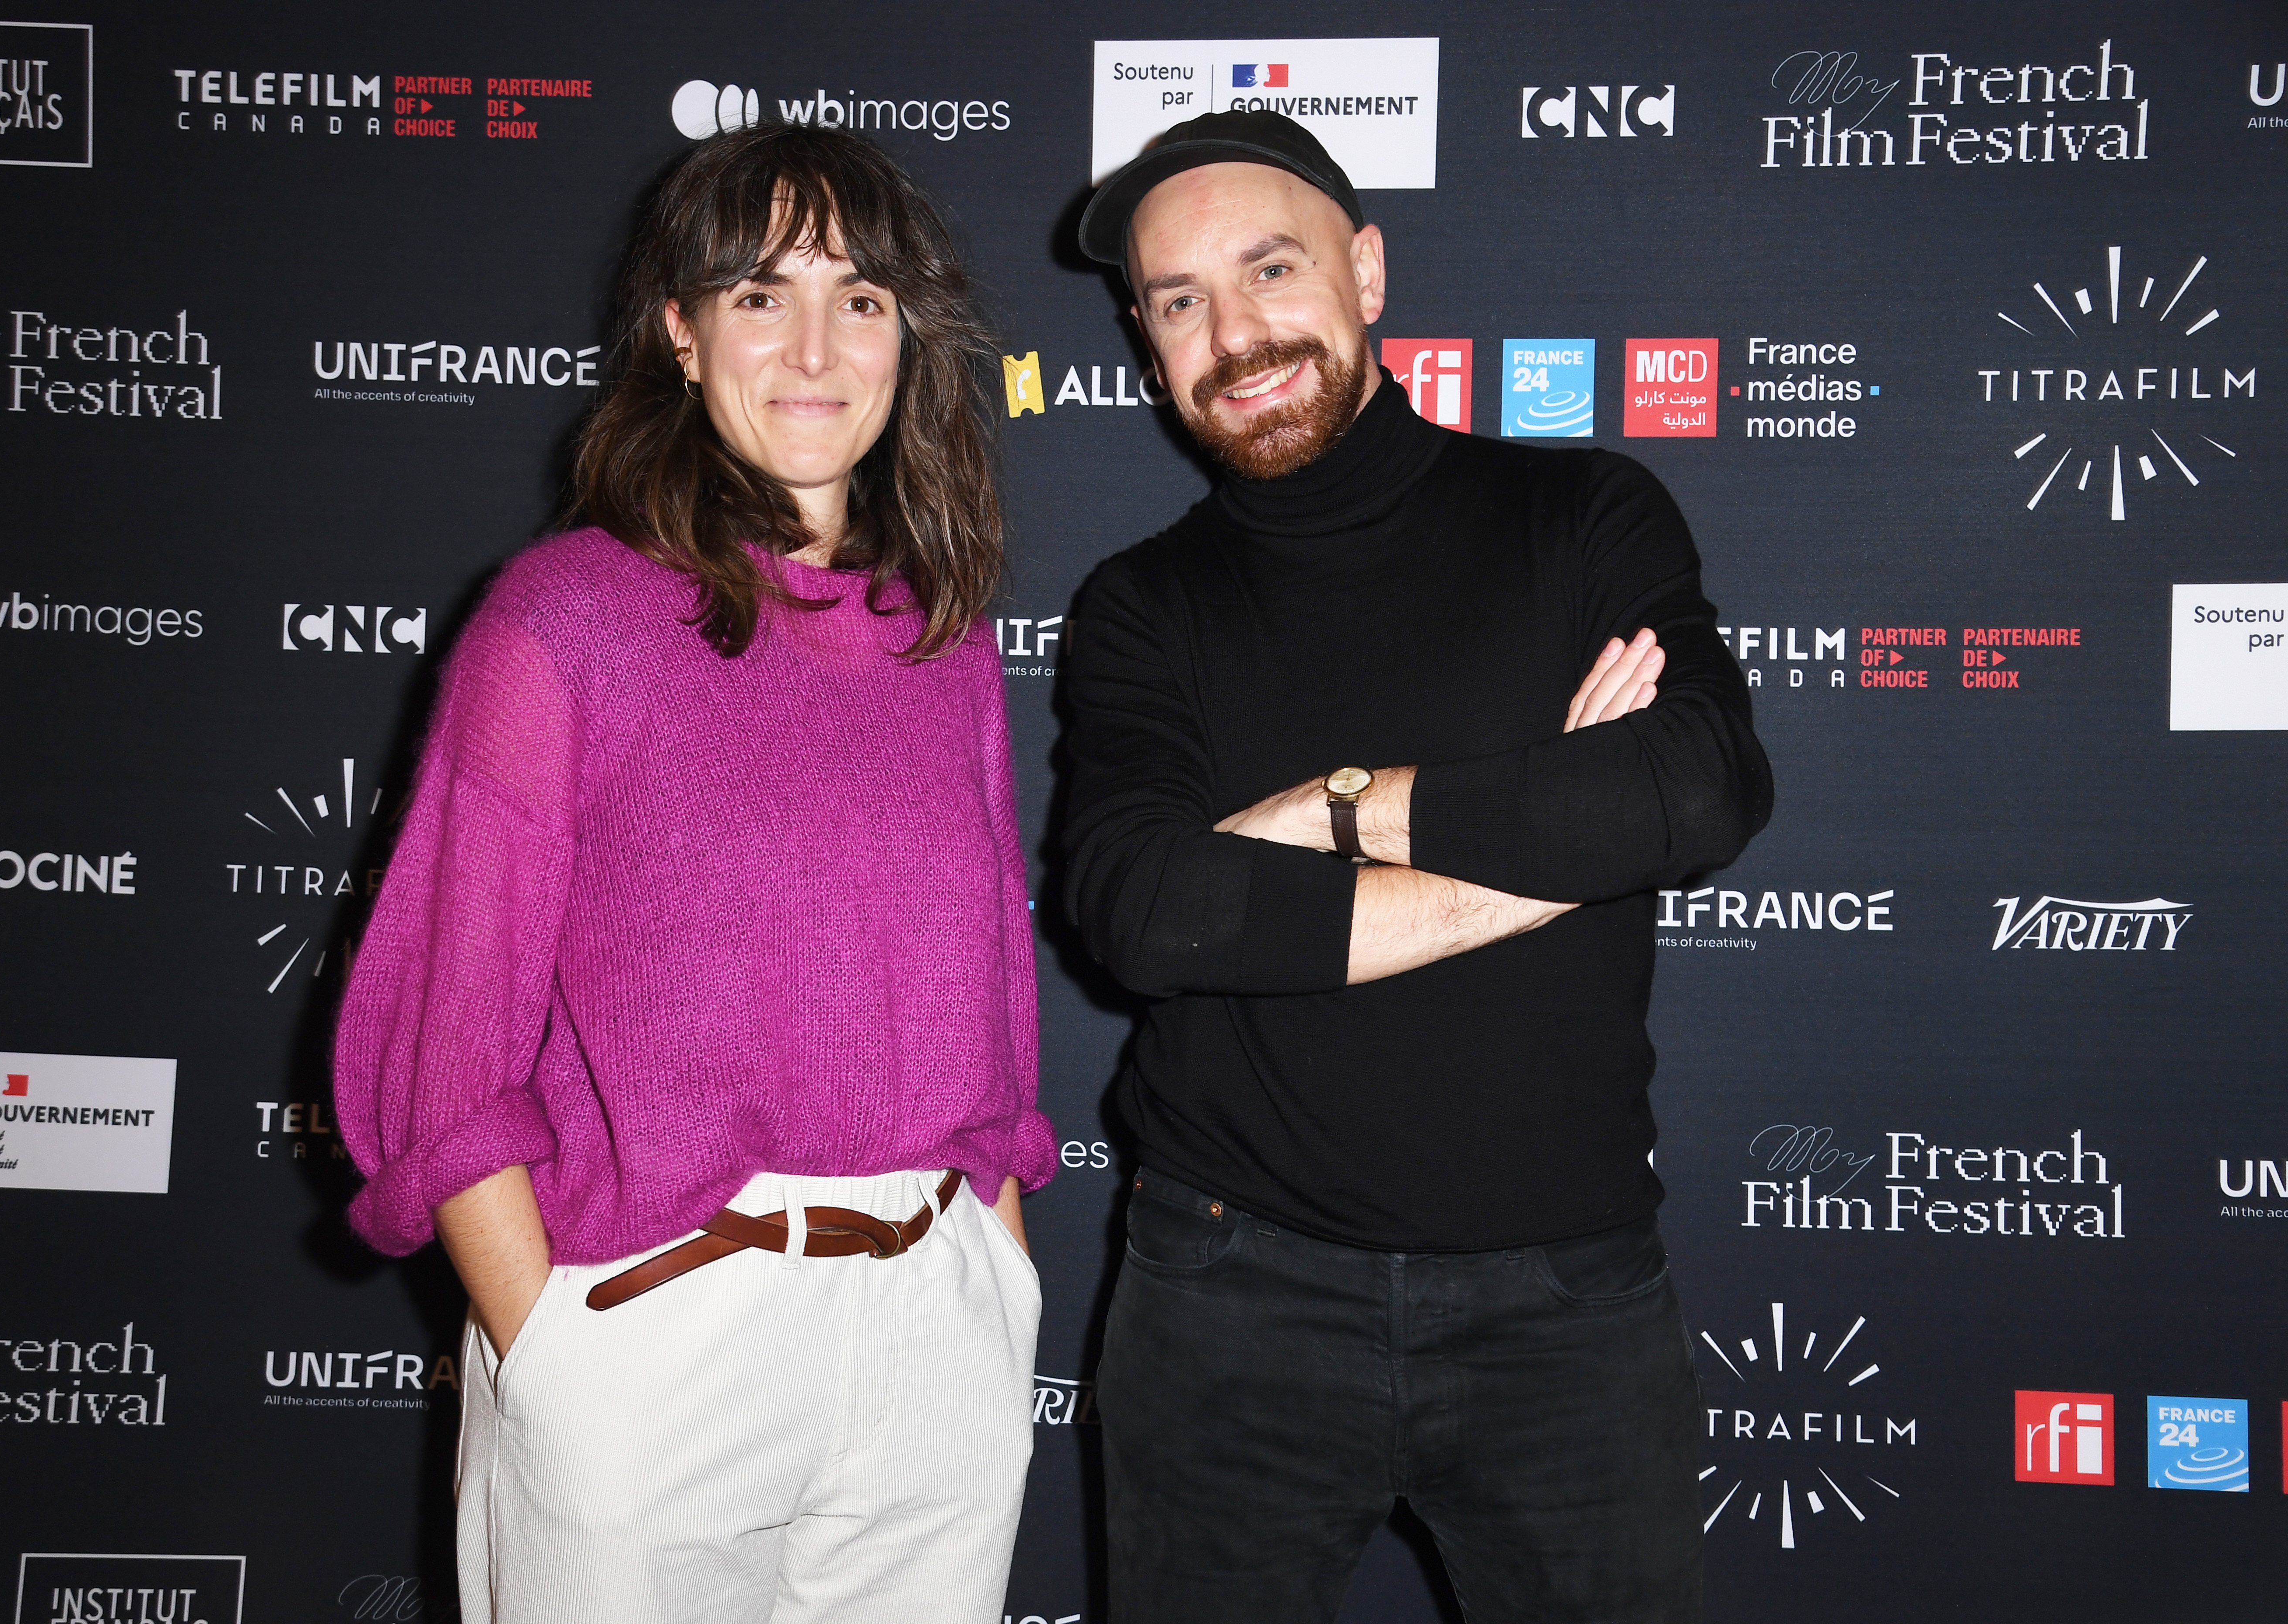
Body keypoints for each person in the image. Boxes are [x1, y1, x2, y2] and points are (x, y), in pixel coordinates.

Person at [333, 124, 1054, 1624]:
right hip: (657, 1332)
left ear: (908, 337)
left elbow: (988, 1000)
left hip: (935, 1333)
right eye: (759, 295)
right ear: (680, 330)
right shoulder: (564, 624)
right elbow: (441, 1040)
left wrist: (993, 1271)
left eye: (859, 298)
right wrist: (552, 1353)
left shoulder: (944, 636)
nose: (813, 346)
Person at [1062, 111, 1773, 1623]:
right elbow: (1148, 907)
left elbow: (1699, 790)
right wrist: (1556, 841)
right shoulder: (1140, 605)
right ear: (1144, 336)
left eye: (1270, 269)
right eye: (1179, 301)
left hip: (1566, 1302)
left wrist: (1338, 807)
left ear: (1367, 269)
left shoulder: (1583, 516)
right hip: (1227, 1289)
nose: (1235, 333)